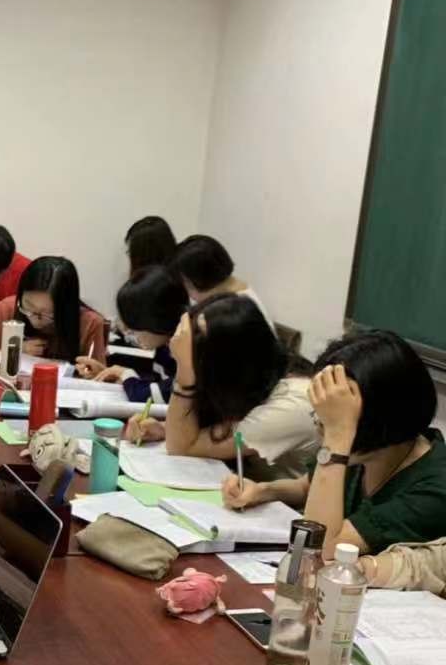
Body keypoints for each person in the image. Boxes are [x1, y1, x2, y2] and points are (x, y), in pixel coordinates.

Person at [224, 330, 446, 560]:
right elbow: (305, 487)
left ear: (380, 415)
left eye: (333, 415)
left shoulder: (435, 490)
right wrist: (262, 491)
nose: (321, 426)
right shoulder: (370, 450)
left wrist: (338, 435)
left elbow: (320, 550)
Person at [158, 293, 317, 478]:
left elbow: (182, 448)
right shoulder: (257, 378)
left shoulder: (288, 405)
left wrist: (185, 373)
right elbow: (218, 428)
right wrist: (163, 428)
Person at [0, 256, 106, 364]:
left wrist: (89, 372)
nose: (34, 319)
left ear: (66, 307)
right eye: (28, 305)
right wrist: (13, 351)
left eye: (46, 313)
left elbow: (98, 378)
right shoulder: (8, 308)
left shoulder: (90, 323)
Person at [76, 265, 185, 403]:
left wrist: (126, 374)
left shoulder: (185, 351)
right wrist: (112, 375)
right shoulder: (165, 346)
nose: (132, 335)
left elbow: (151, 396)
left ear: (155, 320)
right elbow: (156, 387)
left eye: (134, 328)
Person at [170, 234, 270, 323]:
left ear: (201, 279)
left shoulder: (234, 313)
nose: (191, 297)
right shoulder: (238, 294)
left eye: (187, 285)